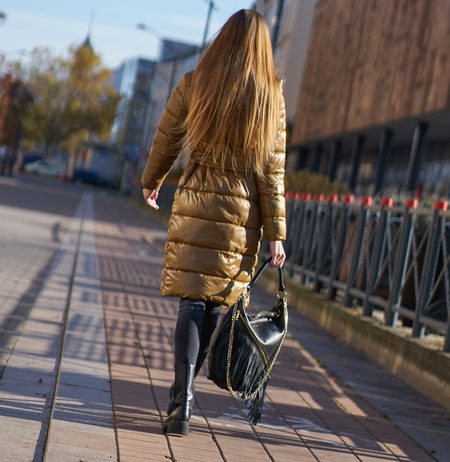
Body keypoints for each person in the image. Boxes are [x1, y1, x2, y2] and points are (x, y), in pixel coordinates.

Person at [141, 9, 286, 436]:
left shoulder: (196, 82)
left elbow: (166, 137)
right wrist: (277, 233)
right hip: (241, 218)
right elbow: (272, 174)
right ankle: (184, 399)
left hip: (196, 203)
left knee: (192, 301)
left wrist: (152, 181)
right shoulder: (270, 97)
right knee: (215, 305)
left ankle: (180, 399)